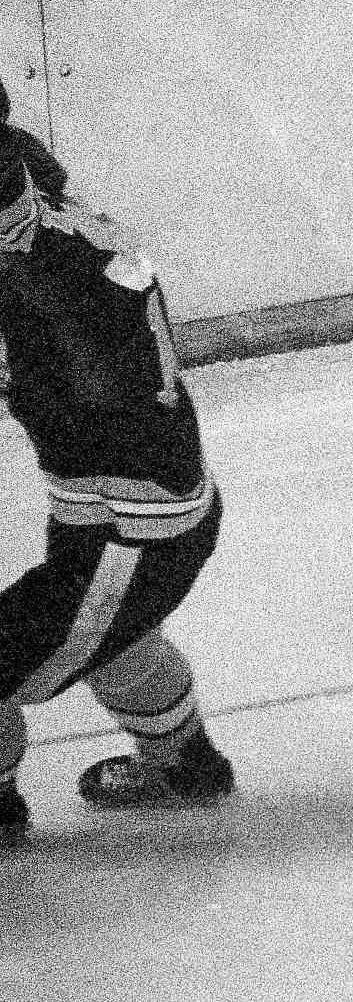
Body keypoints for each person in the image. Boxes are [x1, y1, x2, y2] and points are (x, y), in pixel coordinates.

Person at [1, 82, 236, 850]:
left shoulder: (42, 272)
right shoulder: (51, 213)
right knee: (119, 641)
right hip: (131, 511)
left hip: (130, 533)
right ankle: (186, 767)